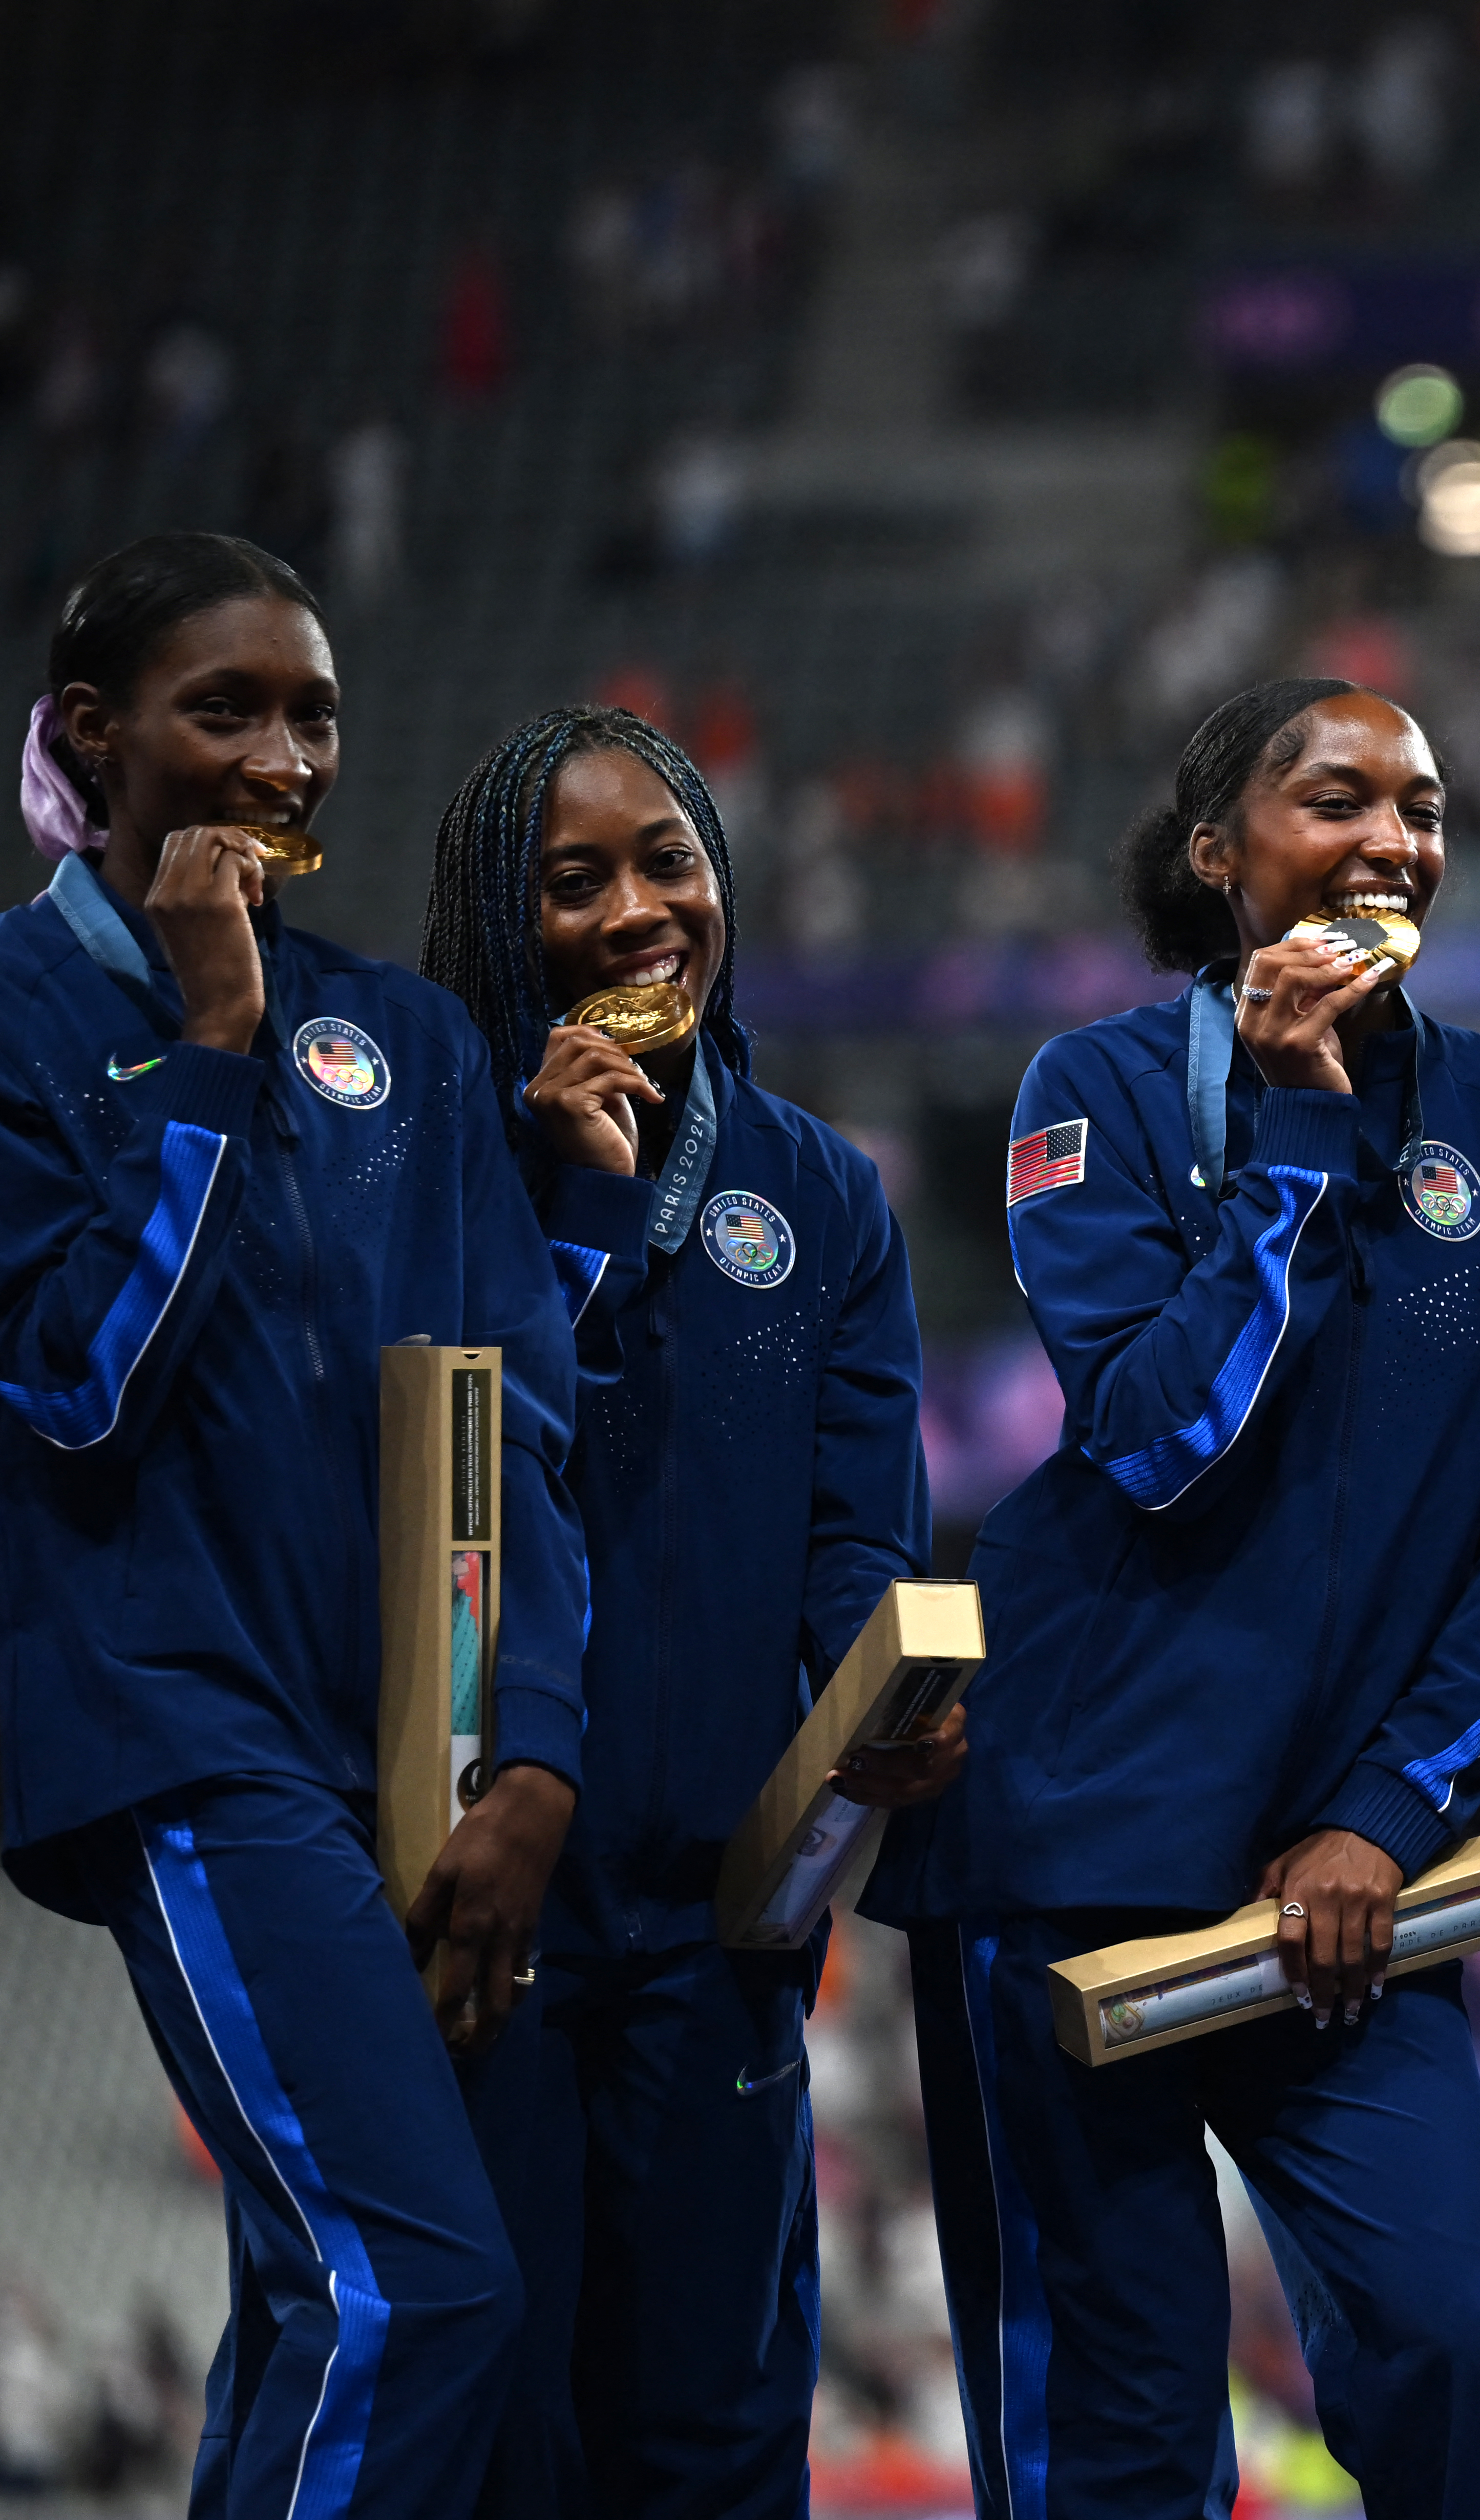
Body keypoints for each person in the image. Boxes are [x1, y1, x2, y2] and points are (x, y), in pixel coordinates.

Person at [863, 679, 1480, 2519]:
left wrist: (1384, 1813)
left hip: (1345, 1897)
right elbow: (1150, 1439)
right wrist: (1296, 1131)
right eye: (1337, 797)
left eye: (1425, 808)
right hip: (1069, 1861)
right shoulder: (1102, 1094)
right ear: (1219, 852)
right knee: (1115, 2440)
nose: (1394, 839)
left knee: (1454, 2349)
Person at [0, 532, 588, 2517]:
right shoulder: (11, 1017)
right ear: (94, 736)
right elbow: (76, 1383)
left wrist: (537, 1755)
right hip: (175, 1729)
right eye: (223, 708)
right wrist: (209, 1046)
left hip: (410, 1767)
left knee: (310, 2295)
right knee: (418, 2289)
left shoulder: (409, 1042)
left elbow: (513, 1425)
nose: (282, 755)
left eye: (314, 714)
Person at [417, 704, 954, 2518]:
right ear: (504, 918)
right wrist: (565, 1208)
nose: (641, 910)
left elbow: (852, 1542)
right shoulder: (428, 1157)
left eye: (673, 862)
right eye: (577, 882)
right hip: (474, 1920)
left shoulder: (816, 1194)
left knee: (718, 2444)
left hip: (717, 1938)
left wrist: (882, 1699)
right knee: (502, 2437)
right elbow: (453, 1489)